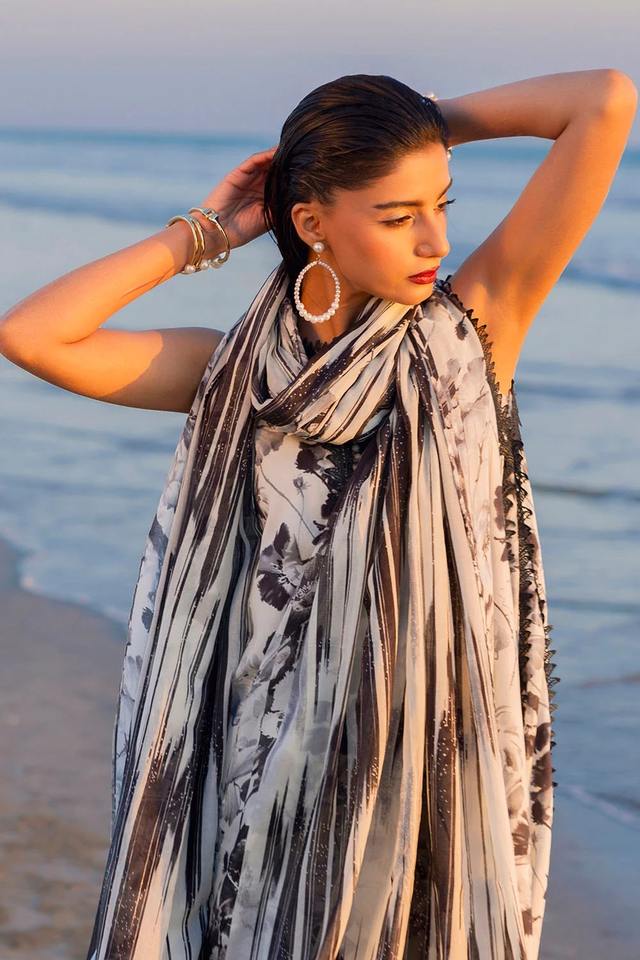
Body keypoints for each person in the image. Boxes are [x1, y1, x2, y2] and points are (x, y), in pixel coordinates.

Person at [0, 71, 636, 960]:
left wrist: (411, 127)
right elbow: (34, 335)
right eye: (397, 215)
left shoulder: (475, 331)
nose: (436, 239)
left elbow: (604, 101)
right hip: (257, 760)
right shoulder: (239, 379)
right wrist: (204, 233)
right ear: (311, 222)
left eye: (441, 204)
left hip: (419, 770)